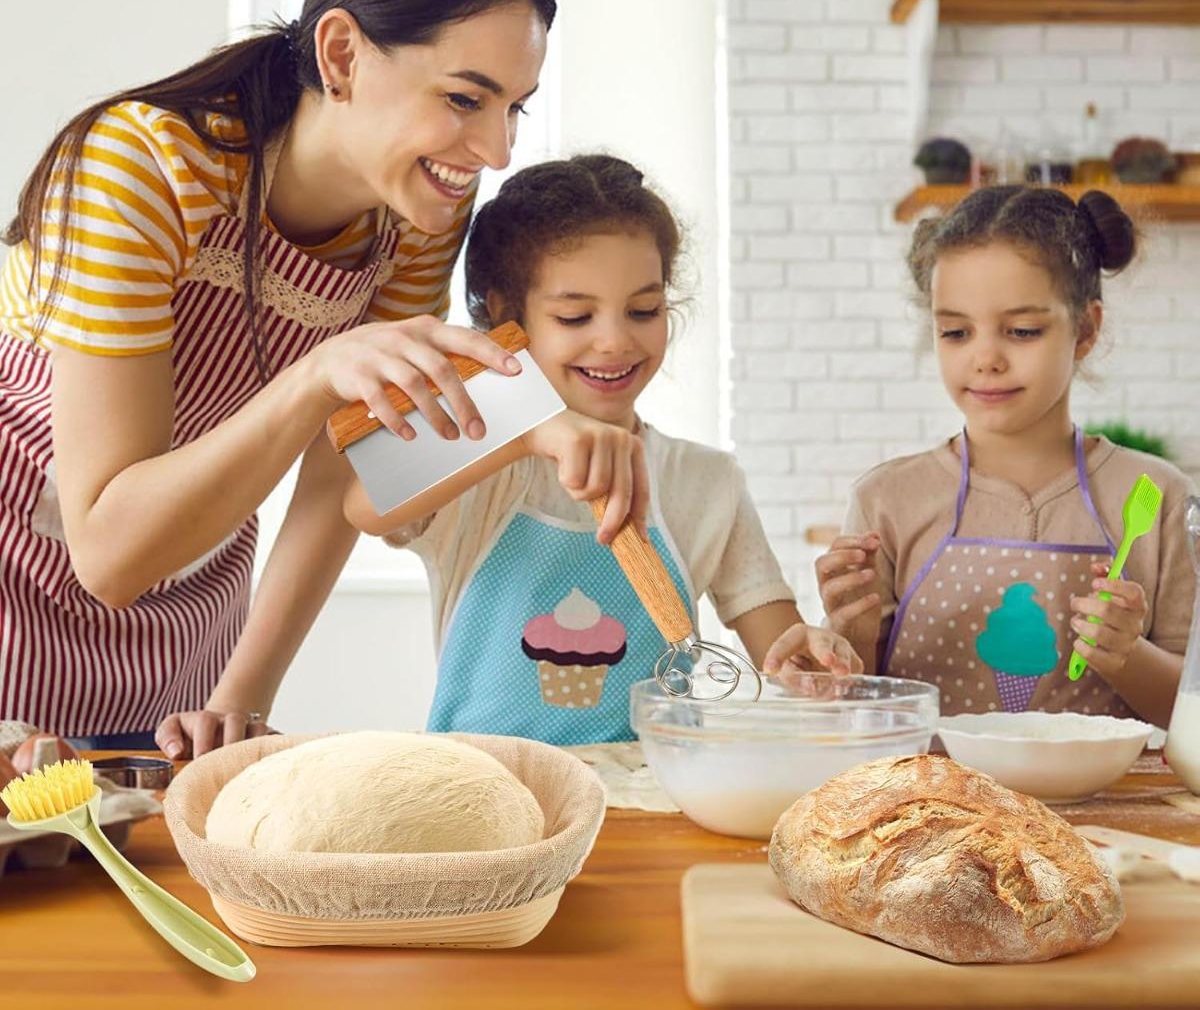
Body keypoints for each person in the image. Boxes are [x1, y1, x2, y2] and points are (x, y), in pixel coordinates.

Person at [0, 0, 621, 748]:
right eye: (464, 99)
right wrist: (313, 378)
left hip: (190, 609)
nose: (497, 152)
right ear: (341, 54)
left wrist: (236, 699)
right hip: (20, 579)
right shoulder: (140, 167)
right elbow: (107, 551)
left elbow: (342, 477)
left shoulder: (415, 218)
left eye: (513, 107)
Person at [164, 155, 859, 753]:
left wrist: (810, 654)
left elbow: (778, 648)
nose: (615, 341)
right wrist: (525, 430)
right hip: (482, 794)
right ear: (506, 317)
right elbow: (364, 506)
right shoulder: (481, 465)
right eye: (576, 316)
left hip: (649, 797)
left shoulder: (707, 481)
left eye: (643, 311)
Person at [815, 186, 1196, 729]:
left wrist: (1127, 655)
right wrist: (848, 634)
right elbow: (860, 711)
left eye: (1021, 331)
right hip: (936, 806)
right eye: (955, 332)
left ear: (1086, 329)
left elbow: (1190, 713)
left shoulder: (1155, 495)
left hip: (1106, 812)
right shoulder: (887, 500)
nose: (986, 358)